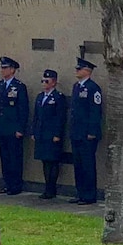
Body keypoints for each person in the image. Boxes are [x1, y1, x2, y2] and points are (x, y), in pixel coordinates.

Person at [68, 58, 103, 205]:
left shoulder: (93, 88)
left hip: (87, 133)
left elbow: (95, 111)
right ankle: (80, 192)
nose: (77, 71)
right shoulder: (76, 86)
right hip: (76, 132)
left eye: (79, 69)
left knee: (87, 164)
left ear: (87, 71)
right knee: (78, 164)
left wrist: (92, 131)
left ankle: (89, 195)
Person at [0, 57, 29, 195]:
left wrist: (20, 129)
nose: (2, 70)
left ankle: (15, 185)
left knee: (15, 157)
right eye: (2, 68)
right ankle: (7, 183)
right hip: (2, 127)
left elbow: (23, 109)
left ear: (12, 70)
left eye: (5, 68)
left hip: (13, 128)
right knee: (5, 157)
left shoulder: (19, 86)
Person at [32, 68, 67, 199]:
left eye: (47, 81)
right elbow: (36, 116)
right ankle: (47, 188)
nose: (44, 83)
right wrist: (34, 131)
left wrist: (57, 134)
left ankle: (51, 189)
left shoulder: (58, 97)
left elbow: (60, 117)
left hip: (52, 135)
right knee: (45, 162)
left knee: (53, 162)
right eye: (42, 81)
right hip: (41, 134)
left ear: (54, 82)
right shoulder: (40, 97)